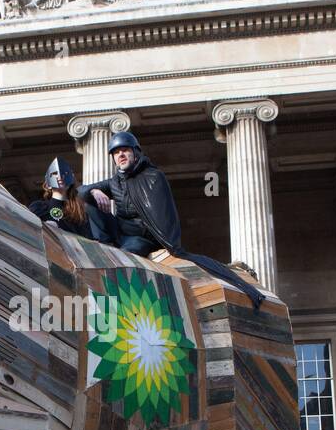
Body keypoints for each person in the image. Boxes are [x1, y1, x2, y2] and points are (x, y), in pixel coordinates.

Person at [80, 130, 264, 306]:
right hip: (119, 231)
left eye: (125, 150)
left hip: (141, 238)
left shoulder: (153, 176)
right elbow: (78, 191)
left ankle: (121, 299)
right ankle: (102, 245)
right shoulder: (114, 182)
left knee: (124, 258)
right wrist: (94, 191)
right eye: (116, 152)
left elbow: (159, 217)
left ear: (135, 152)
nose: (120, 155)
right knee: (87, 203)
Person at [29, 157, 93, 239]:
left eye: (65, 174)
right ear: (48, 185)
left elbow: (88, 241)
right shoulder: (38, 207)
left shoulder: (79, 213)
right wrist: (45, 228)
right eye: (55, 174)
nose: (60, 177)